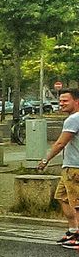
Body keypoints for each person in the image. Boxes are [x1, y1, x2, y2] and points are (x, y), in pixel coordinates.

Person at [38, 88, 79, 248]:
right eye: (60, 100)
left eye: (65, 100)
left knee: (76, 203)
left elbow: (61, 143)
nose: (61, 103)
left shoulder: (73, 119)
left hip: (74, 168)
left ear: (76, 101)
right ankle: (73, 230)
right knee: (62, 197)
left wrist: (45, 160)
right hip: (69, 166)